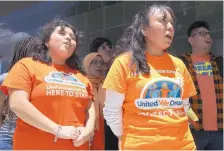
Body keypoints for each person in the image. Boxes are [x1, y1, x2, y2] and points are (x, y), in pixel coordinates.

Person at [103, 4, 197, 150]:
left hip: (184, 146)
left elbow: (184, 106)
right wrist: (124, 138)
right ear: (144, 29)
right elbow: (111, 111)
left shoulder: (179, 64)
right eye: (163, 21)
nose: (170, 27)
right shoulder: (124, 63)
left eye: (172, 23)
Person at [1, 19, 95, 150]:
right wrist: (57, 130)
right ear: (47, 41)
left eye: (72, 37)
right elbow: (18, 104)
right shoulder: (27, 65)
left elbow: (90, 107)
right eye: (62, 33)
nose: (68, 37)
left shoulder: (80, 76)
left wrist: (88, 130)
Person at [179, 21, 223, 150]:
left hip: (219, 131)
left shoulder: (219, 62)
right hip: (193, 131)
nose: (208, 37)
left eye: (209, 34)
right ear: (191, 40)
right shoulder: (182, 63)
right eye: (202, 34)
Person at [0, 36, 41, 150]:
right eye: (36, 53)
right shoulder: (8, 77)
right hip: (7, 139)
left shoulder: (45, 79)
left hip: (33, 139)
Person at [90, 37, 118, 150]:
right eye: (103, 47)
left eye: (110, 47)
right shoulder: (89, 75)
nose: (108, 49)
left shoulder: (118, 70)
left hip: (115, 124)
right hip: (97, 124)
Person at [83, 52, 106, 150]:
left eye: (101, 63)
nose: (99, 65)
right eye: (94, 62)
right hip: (84, 123)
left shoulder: (107, 84)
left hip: (101, 125)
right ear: (86, 65)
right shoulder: (81, 82)